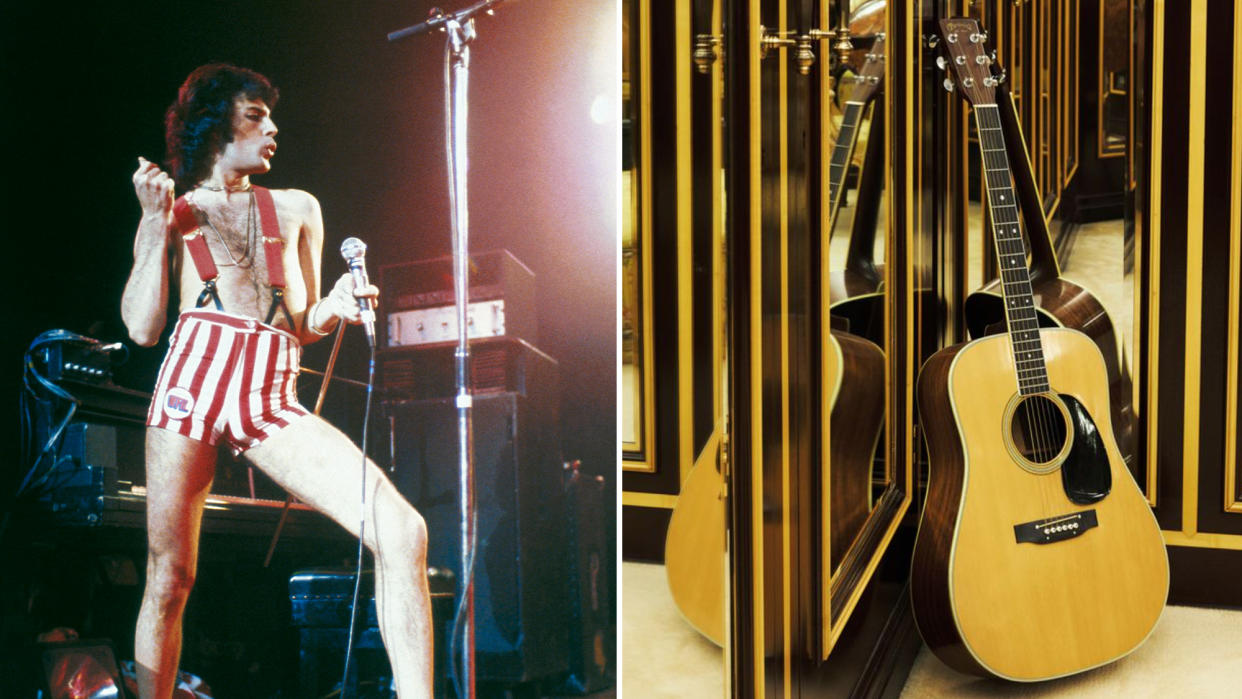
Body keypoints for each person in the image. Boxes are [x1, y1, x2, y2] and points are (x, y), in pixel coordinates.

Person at [121, 63, 432, 698]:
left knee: (402, 532)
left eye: (270, 116)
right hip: (191, 381)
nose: (273, 128)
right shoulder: (176, 214)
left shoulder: (297, 208)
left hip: (267, 392)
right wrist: (153, 224)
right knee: (169, 575)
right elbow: (142, 329)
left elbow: (303, 322)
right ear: (214, 125)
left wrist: (336, 305)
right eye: (256, 115)